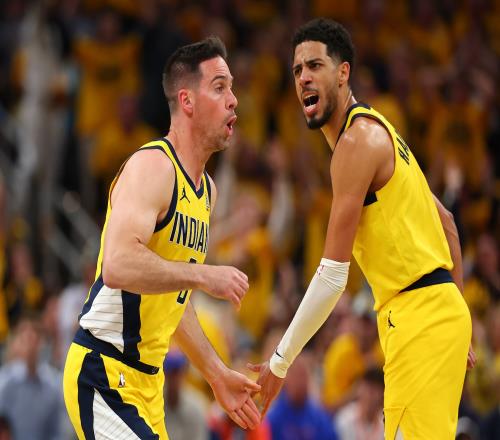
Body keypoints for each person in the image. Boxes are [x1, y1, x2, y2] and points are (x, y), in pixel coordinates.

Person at [250, 18, 476, 440]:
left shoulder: (355, 144)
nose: (303, 78)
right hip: (434, 313)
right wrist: (458, 315)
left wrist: (280, 361)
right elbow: (447, 223)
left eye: (314, 65)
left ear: (343, 72)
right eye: (297, 70)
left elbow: (333, 276)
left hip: (420, 318)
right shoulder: (382, 130)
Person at [63, 36, 261, 439]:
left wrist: (216, 374)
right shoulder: (152, 166)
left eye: (232, 88)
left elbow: (172, 298)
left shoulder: (206, 192)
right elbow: (118, 265)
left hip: (148, 386)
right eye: (220, 87)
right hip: (104, 372)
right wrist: (202, 275)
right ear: (187, 101)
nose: (234, 100)